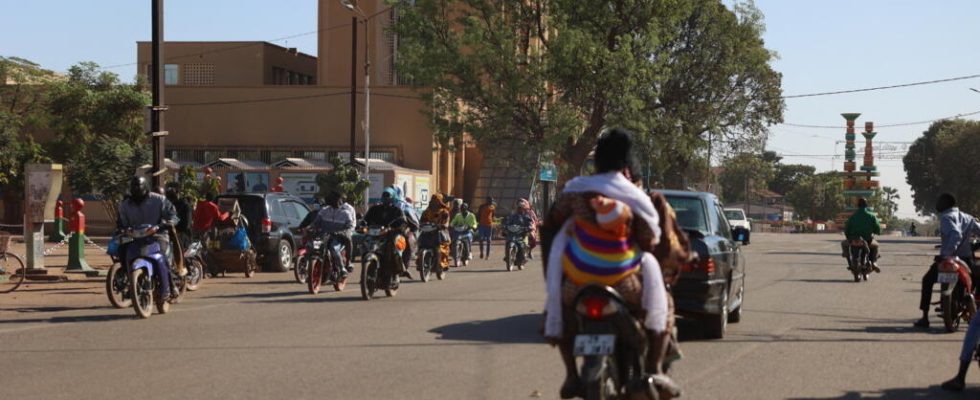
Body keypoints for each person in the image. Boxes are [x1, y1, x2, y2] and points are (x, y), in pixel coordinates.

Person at [540, 128, 674, 399]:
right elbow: (651, 238)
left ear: (597, 161)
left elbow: (552, 222)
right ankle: (653, 370)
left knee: (561, 310)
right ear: (626, 163)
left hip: (578, 282)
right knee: (664, 305)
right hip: (623, 281)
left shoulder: (576, 189)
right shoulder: (633, 196)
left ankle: (570, 375)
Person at [915, 193, 980, 329]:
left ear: (946, 203)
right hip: (966, 259)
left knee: (927, 281)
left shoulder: (945, 217)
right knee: (976, 279)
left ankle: (925, 317)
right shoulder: (967, 217)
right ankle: (973, 308)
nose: (937, 204)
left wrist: (946, 254)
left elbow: (955, 234)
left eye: (939, 201)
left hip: (948, 259)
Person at [117, 176, 180, 299]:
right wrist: (123, 229)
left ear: (145, 189)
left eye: (140, 192)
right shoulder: (125, 205)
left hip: (157, 235)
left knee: (162, 255)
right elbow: (120, 222)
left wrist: (163, 225)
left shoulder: (160, 200)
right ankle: (130, 282)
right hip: (135, 237)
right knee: (122, 251)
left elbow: (173, 216)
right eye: (134, 192)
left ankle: (171, 286)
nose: (137, 197)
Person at [363, 187, 411, 280]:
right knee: (364, 243)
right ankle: (365, 274)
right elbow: (366, 219)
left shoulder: (397, 210)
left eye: (388, 196)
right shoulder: (375, 209)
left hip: (390, 234)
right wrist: (362, 225)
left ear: (393, 197)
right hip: (375, 234)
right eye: (384, 196)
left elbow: (403, 221)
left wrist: (395, 228)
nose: (386, 198)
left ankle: (401, 268)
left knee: (394, 248)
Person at [309, 190, 356, 273]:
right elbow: (315, 223)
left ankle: (342, 269)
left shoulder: (346, 213)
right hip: (324, 237)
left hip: (338, 238)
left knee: (334, 249)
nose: (336, 202)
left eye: (337, 200)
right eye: (333, 200)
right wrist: (310, 228)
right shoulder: (324, 211)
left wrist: (341, 233)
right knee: (311, 246)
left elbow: (350, 227)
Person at [839, 197, 882, 272]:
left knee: (843, 243)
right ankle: (874, 262)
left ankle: (848, 260)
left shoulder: (853, 217)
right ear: (866, 205)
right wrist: (877, 232)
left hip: (854, 240)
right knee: (876, 245)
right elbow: (877, 228)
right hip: (867, 240)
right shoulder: (872, 216)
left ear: (858, 206)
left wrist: (849, 238)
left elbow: (847, 229)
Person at [418, 193, 452, 272]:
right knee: (420, 246)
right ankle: (421, 264)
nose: (434, 202)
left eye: (436, 200)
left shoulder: (444, 212)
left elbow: (446, 222)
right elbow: (422, 220)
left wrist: (443, 225)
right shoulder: (426, 211)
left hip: (440, 233)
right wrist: (421, 224)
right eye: (433, 200)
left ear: (440, 201)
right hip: (427, 231)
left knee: (439, 250)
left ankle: (441, 265)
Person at [165, 182, 193, 248]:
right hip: (169, 236)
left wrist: (175, 229)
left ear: (178, 193)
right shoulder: (167, 205)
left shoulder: (185, 205)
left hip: (182, 237)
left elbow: (186, 225)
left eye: (172, 196)